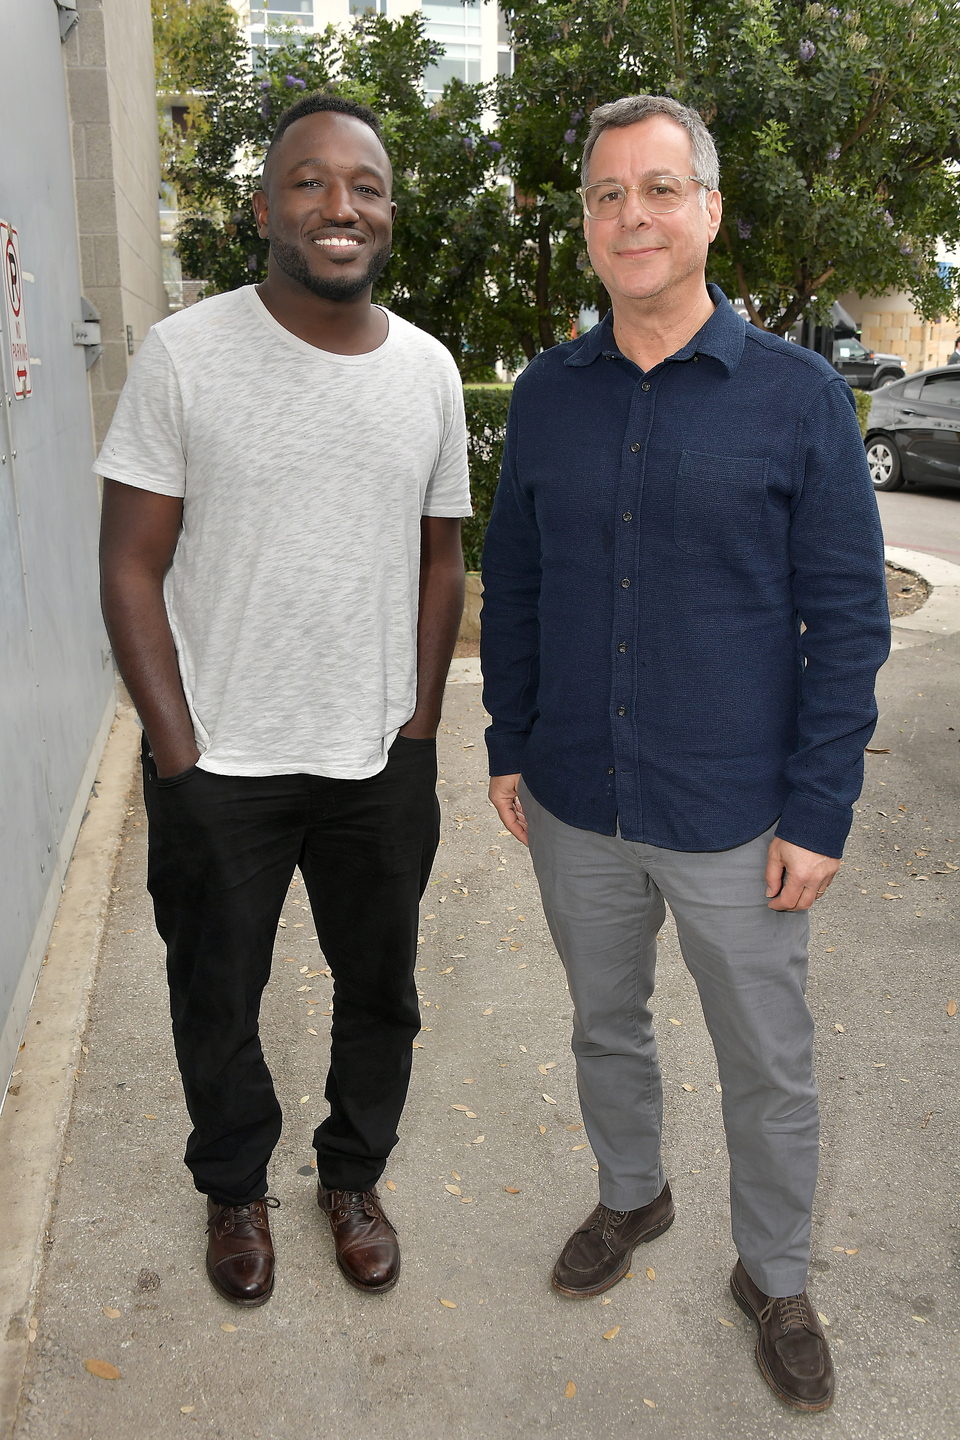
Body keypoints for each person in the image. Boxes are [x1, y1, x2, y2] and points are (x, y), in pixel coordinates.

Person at [481, 95, 889, 1412]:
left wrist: (819, 808)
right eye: (607, 195)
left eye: (660, 189)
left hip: (735, 817)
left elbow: (851, 616)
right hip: (576, 802)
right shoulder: (548, 396)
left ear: (708, 211)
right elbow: (522, 589)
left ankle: (774, 1273)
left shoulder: (799, 397)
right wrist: (507, 742)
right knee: (608, 1028)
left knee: (766, 1059)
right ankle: (633, 1196)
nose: (632, 216)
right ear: (589, 226)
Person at [98, 94, 469, 1307]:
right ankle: (234, 1187)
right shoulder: (185, 356)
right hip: (223, 762)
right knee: (216, 994)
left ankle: (352, 1176)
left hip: (374, 759)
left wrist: (416, 730)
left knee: (381, 992)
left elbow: (439, 559)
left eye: (363, 185)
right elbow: (130, 564)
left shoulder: (428, 370)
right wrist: (177, 753)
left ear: (390, 215)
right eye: (309, 182)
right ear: (266, 208)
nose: (338, 205)